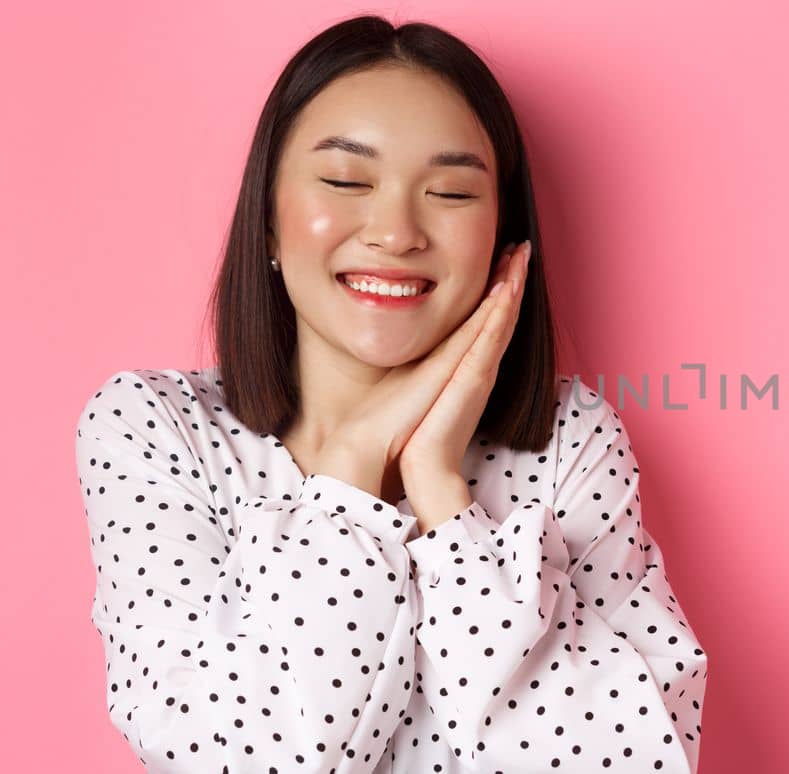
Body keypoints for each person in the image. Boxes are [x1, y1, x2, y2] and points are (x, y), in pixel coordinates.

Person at [72, 15, 708, 773]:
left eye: (449, 192)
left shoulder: (570, 436)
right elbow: (235, 758)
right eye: (346, 181)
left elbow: (631, 761)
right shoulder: (153, 428)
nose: (398, 231)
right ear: (269, 222)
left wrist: (442, 494)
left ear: (504, 235)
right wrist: (353, 464)